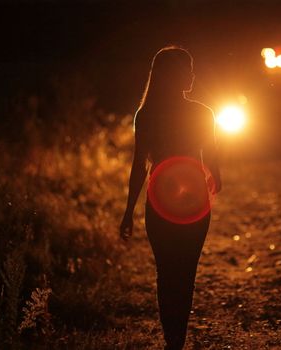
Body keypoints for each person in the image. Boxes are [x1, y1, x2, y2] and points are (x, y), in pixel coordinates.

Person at [119, 46, 221, 350]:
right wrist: (210, 179)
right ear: (177, 75)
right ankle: (178, 339)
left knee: (166, 273)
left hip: (159, 203)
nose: (192, 74)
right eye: (188, 69)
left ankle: (171, 341)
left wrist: (128, 213)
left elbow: (139, 166)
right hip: (195, 204)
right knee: (186, 273)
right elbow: (214, 167)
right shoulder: (203, 112)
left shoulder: (146, 114)